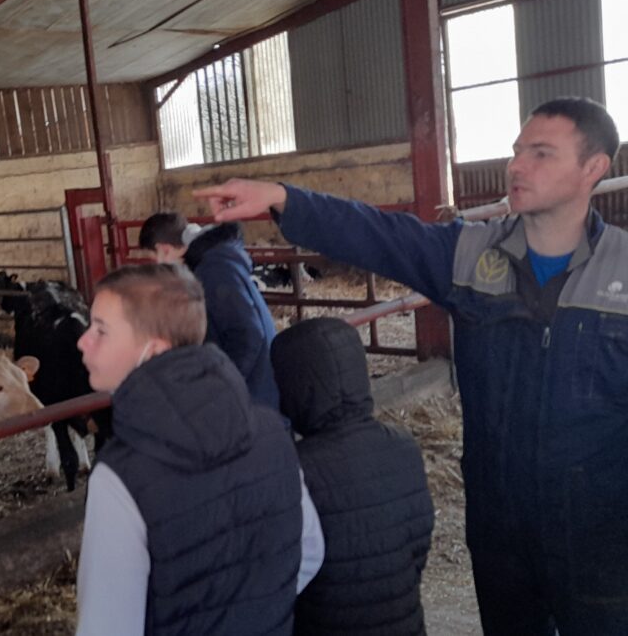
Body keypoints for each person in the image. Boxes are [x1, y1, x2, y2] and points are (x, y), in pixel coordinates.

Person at [194, 96, 628, 635]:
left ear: (594, 168)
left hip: (601, 537)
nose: (517, 165)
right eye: (517, 151)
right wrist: (283, 198)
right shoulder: (469, 256)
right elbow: (379, 235)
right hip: (499, 532)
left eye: (541, 153)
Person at [74, 263, 310, 636]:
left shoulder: (120, 477)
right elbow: (310, 551)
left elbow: (106, 627)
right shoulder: (271, 430)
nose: (82, 341)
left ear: (153, 350)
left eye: (100, 330)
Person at [271, 317, 434, 635]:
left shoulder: (295, 470)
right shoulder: (403, 447)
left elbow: (286, 576)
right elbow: (419, 542)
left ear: (294, 386)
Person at [139, 212, 280, 408]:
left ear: (164, 250)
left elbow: (249, 334)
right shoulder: (213, 263)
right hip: (252, 391)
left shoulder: (214, 270)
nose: (159, 268)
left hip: (253, 398)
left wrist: (221, 387)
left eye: (154, 259)